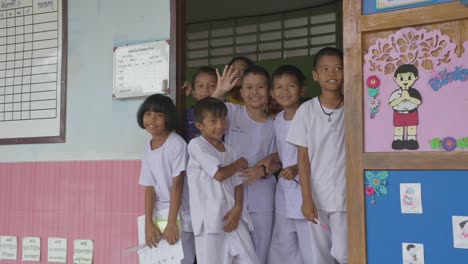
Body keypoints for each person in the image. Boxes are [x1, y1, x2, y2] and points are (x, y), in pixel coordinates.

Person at [287, 47, 348, 264]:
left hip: (346, 196)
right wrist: (306, 199)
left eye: (338, 68)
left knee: (344, 254)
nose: (332, 74)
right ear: (315, 75)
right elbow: (302, 158)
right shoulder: (306, 111)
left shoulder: (354, 106)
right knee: (318, 257)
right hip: (316, 197)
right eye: (325, 69)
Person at [212, 65, 277, 264]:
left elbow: (280, 161)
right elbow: (207, 112)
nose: (254, 92)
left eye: (260, 87)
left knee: (261, 246)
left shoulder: (276, 123)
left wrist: (263, 170)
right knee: (231, 246)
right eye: (248, 87)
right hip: (231, 192)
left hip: (262, 192)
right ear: (241, 92)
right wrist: (220, 90)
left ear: (270, 91)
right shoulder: (232, 112)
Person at [186, 97, 259, 264]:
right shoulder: (196, 145)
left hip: (233, 215)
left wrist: (238, 207)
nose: (220, 125)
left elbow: (238, 182)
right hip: (209, 220)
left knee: (249, 259)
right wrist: (240, 162)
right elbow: (218, 175)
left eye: (223, 119)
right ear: (199, 125)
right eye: (213, 121)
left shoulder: (230, 150)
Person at [258, 65, 315, 264]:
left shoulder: (310, 114)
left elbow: (318, 153)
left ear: (302, 89)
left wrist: (297, 168)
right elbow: (285, 152)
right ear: (272, 93)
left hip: (308, 188)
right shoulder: (279, 120)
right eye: (279, 87)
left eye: (290, 86)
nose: (285, 91)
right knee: (284, 247)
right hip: (285, 190)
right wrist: (273, 158)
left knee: (311, 247)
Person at [136, 94, 196, 264]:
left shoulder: (176, 143)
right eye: (147, 114)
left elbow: (178, 184)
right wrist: (148, 222)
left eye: (159, 115)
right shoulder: (147, 148)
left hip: (180, 213)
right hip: (160, 213)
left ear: (168, 118)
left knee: (181, 258)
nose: (152, 119)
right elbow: (149, 187)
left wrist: (171, 223)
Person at [389, 64, 422, 150]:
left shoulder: (414, 92)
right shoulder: (396, 93)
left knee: (412, 127)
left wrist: (408, 97)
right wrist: (401, 98)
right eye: (401, 78)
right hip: (398, 113)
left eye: (409, 78)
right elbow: (392, 103)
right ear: (395, 79)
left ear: (415, 78)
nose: (405, 81)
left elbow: (418, 101)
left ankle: (411, 140)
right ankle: (398, 140)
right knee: (398, 128)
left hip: (411, 112)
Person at [182, 66, 218, 142]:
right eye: (200, 86)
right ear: (193, 92)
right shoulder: (186, 115)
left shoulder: (224, 114)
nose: (205, 89)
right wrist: (182, 96)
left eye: (212, 86)